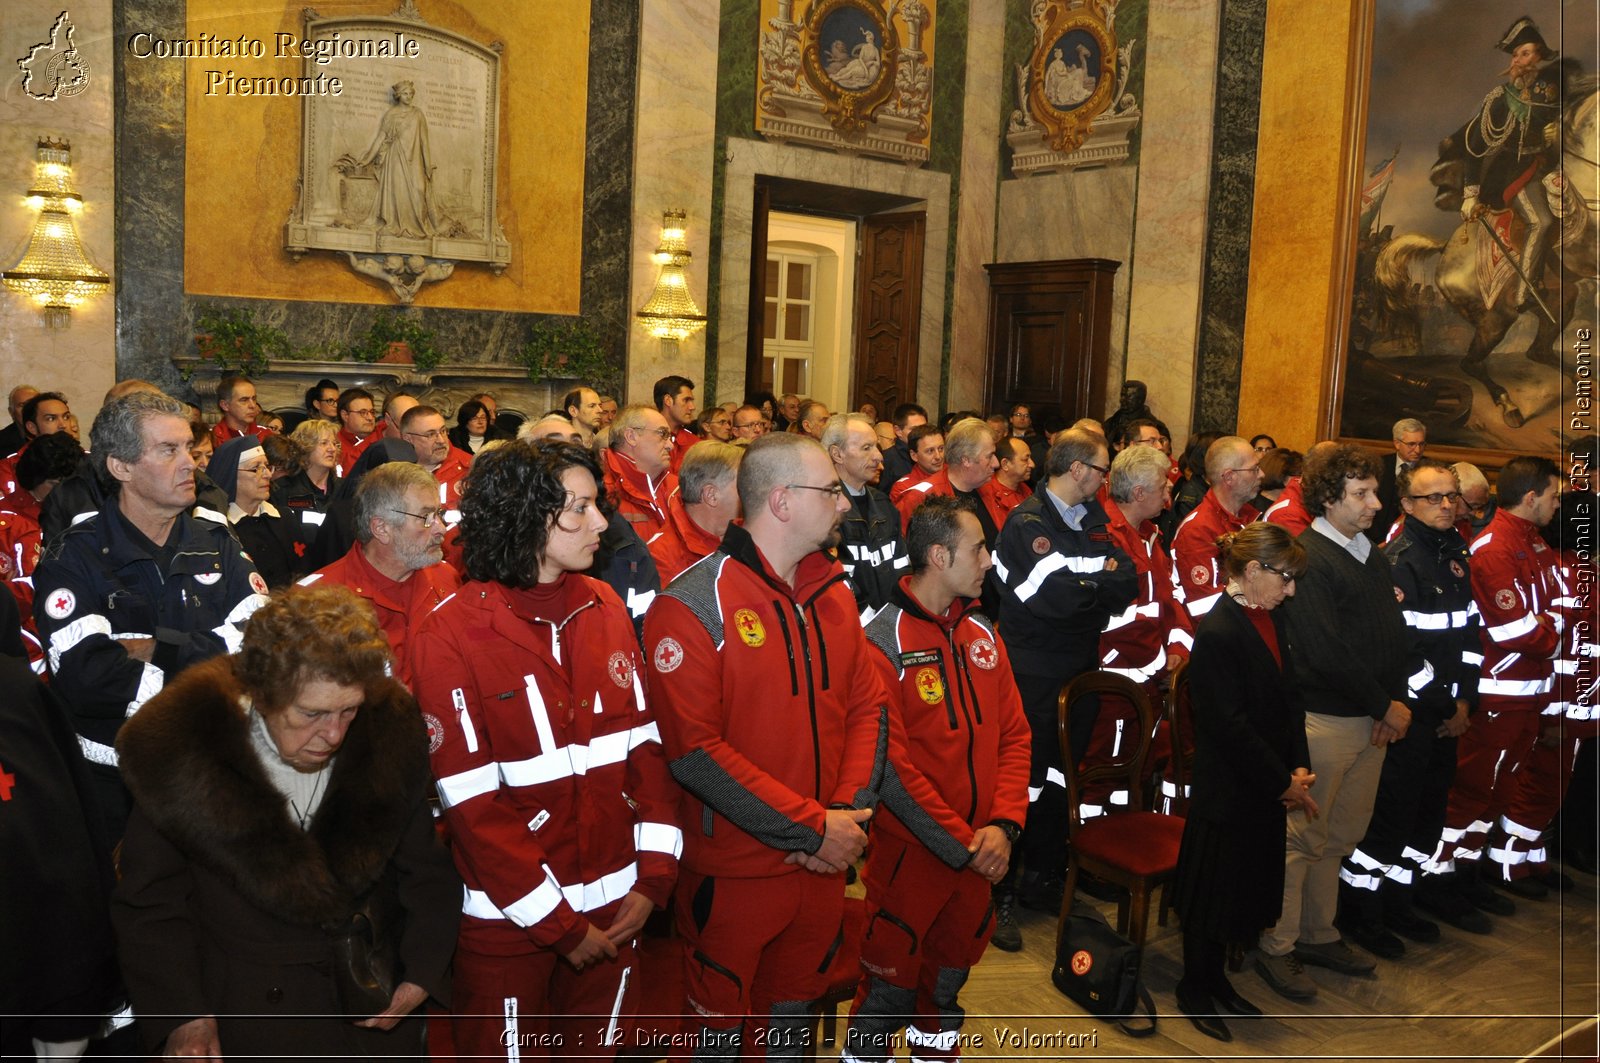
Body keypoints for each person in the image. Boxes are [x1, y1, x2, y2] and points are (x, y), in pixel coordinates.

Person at [112, 584, 461, 1058]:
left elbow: (426, 873)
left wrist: (421, 973)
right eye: (312, 713)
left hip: (365, 1010)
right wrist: (183, 1016)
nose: (334, 734)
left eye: (349, 710)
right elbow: (152, 906)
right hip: (244, 1018)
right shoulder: (184, 756)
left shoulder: (386, 737)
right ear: (261, 694)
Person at [413, 440, 679, 1057]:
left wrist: (655, 878)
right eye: (578, 509)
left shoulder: (605, 604)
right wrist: (559, 926)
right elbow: (472, 806)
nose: (602, 524)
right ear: (527, 517)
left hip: (619, 908)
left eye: (597, 505)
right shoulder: (450, 633)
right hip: (512, 927)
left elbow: (646, 750)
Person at [644, 432, 891, 1058]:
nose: (843, 505)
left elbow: (868, 708)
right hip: (737, 875)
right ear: (781, 501)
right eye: (830, 491)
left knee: (792, 1034)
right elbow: (695, 754)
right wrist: (814, 829)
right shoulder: (693, 605)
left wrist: (845, 817)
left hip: (823, 869)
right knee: (722, 1042)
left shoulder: (833, 593)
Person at [32, 390, 269, 843]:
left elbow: (263, 645)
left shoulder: (216, 538)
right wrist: (211, 669)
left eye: (188, 448)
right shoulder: (74, 555)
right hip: (115, 784)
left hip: (215, 770)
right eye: (168, 450)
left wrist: (156, 649)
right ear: (120, 467)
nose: (190, 463)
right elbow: (87, 677)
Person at [848, 496, 1031, 1052]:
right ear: (938, 556)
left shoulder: (982, 636)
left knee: (945, 996)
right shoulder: (882, 641)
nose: (990, 560)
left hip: (981, 857)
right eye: (979, 549)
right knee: (886, 999)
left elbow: (1015, 738)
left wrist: (1003, 825)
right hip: (913, 860)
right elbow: (890, 772)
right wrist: (964, 844)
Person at [1255, 443, 1411, 1001]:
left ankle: (1319, 934)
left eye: (1375, 491)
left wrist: (1395, 700)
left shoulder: (1368, 549)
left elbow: (1391, 633)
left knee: (1341, 837)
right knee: (1303, 840)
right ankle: (1277, 944)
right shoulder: (1310, 555)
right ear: (1328, 497)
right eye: (1362, 494)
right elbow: (1324, 650)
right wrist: (1384, 704)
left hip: (1371, 719)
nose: (1376, 503)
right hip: (1328, 720)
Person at [988, 429, 1137, 942]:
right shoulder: (1027, 522)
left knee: (1059, 777)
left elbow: (1129, 582)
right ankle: (998, 891)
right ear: (1076, 470)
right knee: (1022, 780)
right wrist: (1098, 587)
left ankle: (1043, 877)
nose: (1105, 479)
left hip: (1079, 667)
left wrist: (1091, 589)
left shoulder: (1093, 520)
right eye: (1101, 469)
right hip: (1033, 671)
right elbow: (1054, 599)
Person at [1171, 524, 1315, 1043]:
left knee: (1244, 891)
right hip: (1230, 788)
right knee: (1213, 893)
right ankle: (1194, 985)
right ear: (1252, 571)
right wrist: (1282, 780)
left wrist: (1298, 765)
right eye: (1285, 578)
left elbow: (1291, 697)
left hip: (1267, 783)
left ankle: (1218, 982)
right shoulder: (1219, 632)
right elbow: (1226, 726)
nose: (1290, 590)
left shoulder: (1271, 618)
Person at [1342, 460, 1480, 956]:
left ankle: (1400, 900)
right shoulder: (1397, 559)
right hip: (1413, 713)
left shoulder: (1455, 552)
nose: (1446, 506)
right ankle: (1361, 911)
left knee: (1428, 814)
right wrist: (1446, 704)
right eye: (1433, 498)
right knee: (1391, 816)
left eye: (1451, 496)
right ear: (1406, 505)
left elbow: (1468, 632)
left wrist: (1466, 697)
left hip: (1449, 711)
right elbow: (1404, 650)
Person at [1429, 457, 1567, 904]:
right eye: (1553, 495)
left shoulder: (1534, 542)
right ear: (1531, 497)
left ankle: (1467, 872)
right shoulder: (1495, 548)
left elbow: (1556, 609)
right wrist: (1552, 630)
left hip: (1529, 693)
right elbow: (1517, 631)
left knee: (1499, 792)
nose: (1558, 504)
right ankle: (1439, 879)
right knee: (1472, 792)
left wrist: (1547, 624)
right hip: (1498, 694)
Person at [1435, 17, 1568, 311]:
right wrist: (1470, 195)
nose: (1519, 60)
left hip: (1552, 164)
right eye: (1515, 54)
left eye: (1526, 53)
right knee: (1541, 221)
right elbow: (1475, 150)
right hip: (1516, 171)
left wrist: (1556, 132)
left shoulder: (1552, 90)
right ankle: (1526, 291)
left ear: (1540, 57)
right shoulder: (1499, 100)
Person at [299, 462, 458, 686]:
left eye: (438, 514)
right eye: (426, 518)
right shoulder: (316, 603)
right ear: (381, 528)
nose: (441, 528)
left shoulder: (446, 578)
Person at [1172, 436, 1263, 624]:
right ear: (1229, 477)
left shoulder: (1250, 518)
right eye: (1254, 469)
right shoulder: (1198, 530)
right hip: (1219, 641)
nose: (1262, 474)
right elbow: (1205, 607)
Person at [825, 413, 908, 617]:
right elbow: (838, 585)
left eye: (877, 447)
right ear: (837, 454)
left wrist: (898, 618)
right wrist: (874, 626)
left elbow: (903, 569)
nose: (879, 456)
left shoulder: (883, 503)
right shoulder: (825, 509)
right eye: (866, 448)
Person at [341, 79, 443, 238]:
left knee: (419, 189)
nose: (409, 96)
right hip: (395, 158)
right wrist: (367, 159)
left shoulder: (418, 114)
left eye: (410, 94)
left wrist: (427, 164)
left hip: (414, 159)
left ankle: (416, 227)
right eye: (405, 93)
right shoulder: (391, 115)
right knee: (396, 192)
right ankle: (394, 224)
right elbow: (381, 138)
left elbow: (424, 141)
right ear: (398, 95)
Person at [210, 436, 303, 591]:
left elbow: (303, 572)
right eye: (256, 468)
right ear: (231, 475)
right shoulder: (221, 530)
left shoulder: (285, 517)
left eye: (266, 466)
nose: (267, 474)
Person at [647, 441, 742, 584]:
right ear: (711, 495)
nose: (751, 495)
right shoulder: (664, 562)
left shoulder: (744, 536)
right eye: (742, 487)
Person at [602, 404, 679, 541]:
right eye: (662, 434)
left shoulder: (677, 488)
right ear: (631, 437)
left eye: (670, 437)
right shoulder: (602, 494)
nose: (670, 446)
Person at [401, 404, 472, 527]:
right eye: (430, 434)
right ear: (408, 439)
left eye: (443, 431)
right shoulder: (393, 474)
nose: (441, 440)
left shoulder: (470, 468)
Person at [1374, 418, 1426, 544]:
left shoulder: (1430, 469)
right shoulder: (1378, 465)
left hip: (1414, 540)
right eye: (1411, 444)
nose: (1418, 450)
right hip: (1375, 538)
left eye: (1421, 444)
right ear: (1397, 443)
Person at [208, 374, 270, 451]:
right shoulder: (211, 439)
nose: (253, 405)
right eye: (244, 400)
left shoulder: (266, 435)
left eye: (254, 399)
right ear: (225, 405)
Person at [656, 374, 700, 473]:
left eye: (691, 401)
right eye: (686, 400)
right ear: (668, 400)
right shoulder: (644, 439)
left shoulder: (696, 444)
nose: (692, 407)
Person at [880, 402, 928, 488]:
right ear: (898, 431)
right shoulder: (886, 459)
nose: (922, 433)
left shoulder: (931, 455)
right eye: (915, 429)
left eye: (925, 428)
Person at [1102, 380, 1154, 454]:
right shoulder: (1110, 423)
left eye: (1128, 396)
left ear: (1140, 400)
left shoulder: (1155, 426)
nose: (1122, 400)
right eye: (1122, 395)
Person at [336, 387, 380, 474]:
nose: (370, 418)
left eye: (372, 412)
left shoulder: (381, 436)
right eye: (362, 412)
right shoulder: (333, 446)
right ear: (345, 415)